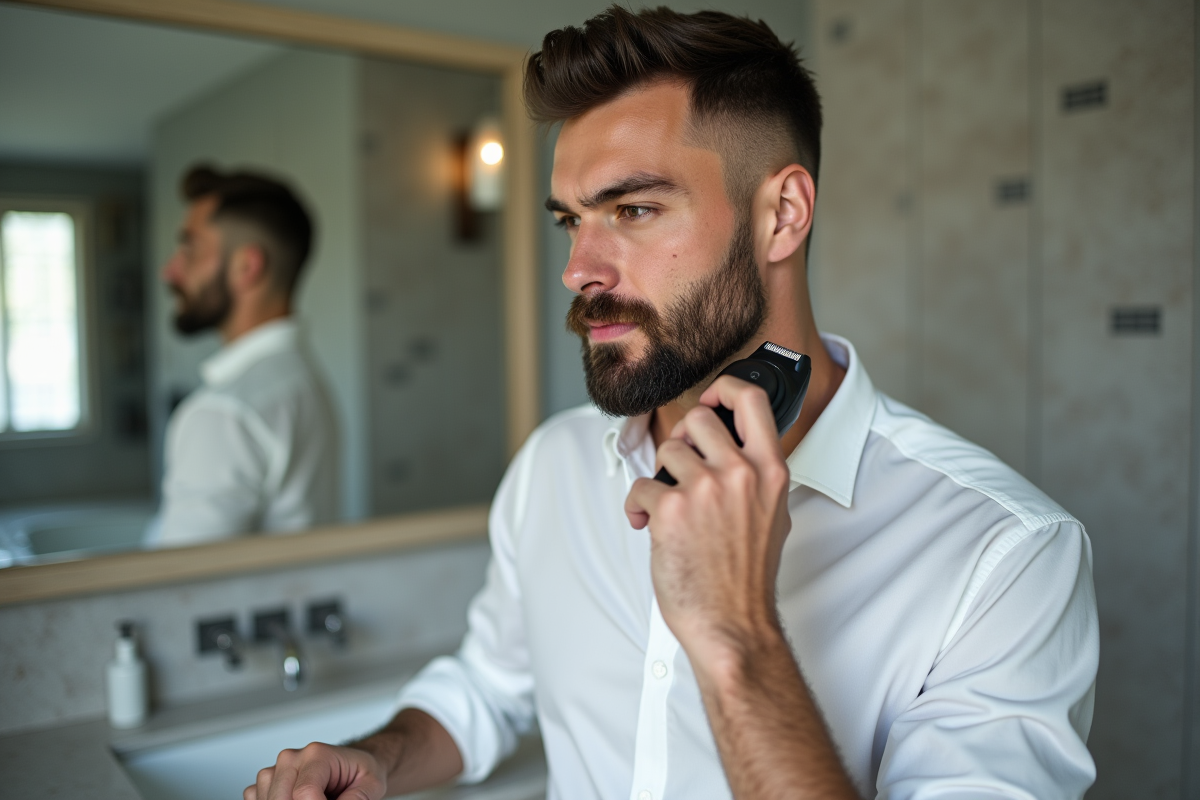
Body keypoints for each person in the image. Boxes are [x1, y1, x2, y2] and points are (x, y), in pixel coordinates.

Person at [247, 7, 1098, 799]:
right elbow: (487, 687)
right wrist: (379, 756)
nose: (581, 269)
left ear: (783, 215)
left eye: (635, 208)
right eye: (570, 221)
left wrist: (737, 638)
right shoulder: (553, 468)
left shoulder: (1005, 558)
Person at [153, 165, 339, 546]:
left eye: (190, 247)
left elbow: (180, 586)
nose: (169, 271)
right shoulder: (303, 380)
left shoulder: (224, 413)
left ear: (247, 267)